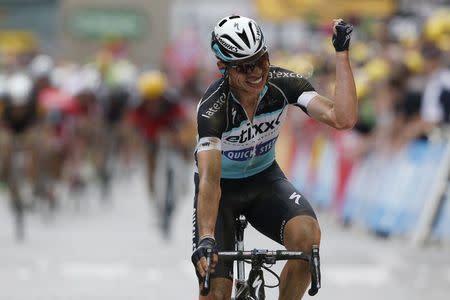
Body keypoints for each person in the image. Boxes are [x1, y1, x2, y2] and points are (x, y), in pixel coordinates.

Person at [191, 15, 357, 299]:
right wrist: (206, 237)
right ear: (223, 67)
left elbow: (341, 118)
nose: (256, 72)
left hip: (265, 180)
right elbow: (209, 180)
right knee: (216, 293)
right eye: (245, 66)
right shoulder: (213, 109)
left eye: (261, 60)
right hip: (222, 192)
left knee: (307, 238)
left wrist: (341, 55)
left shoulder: (283, 83)